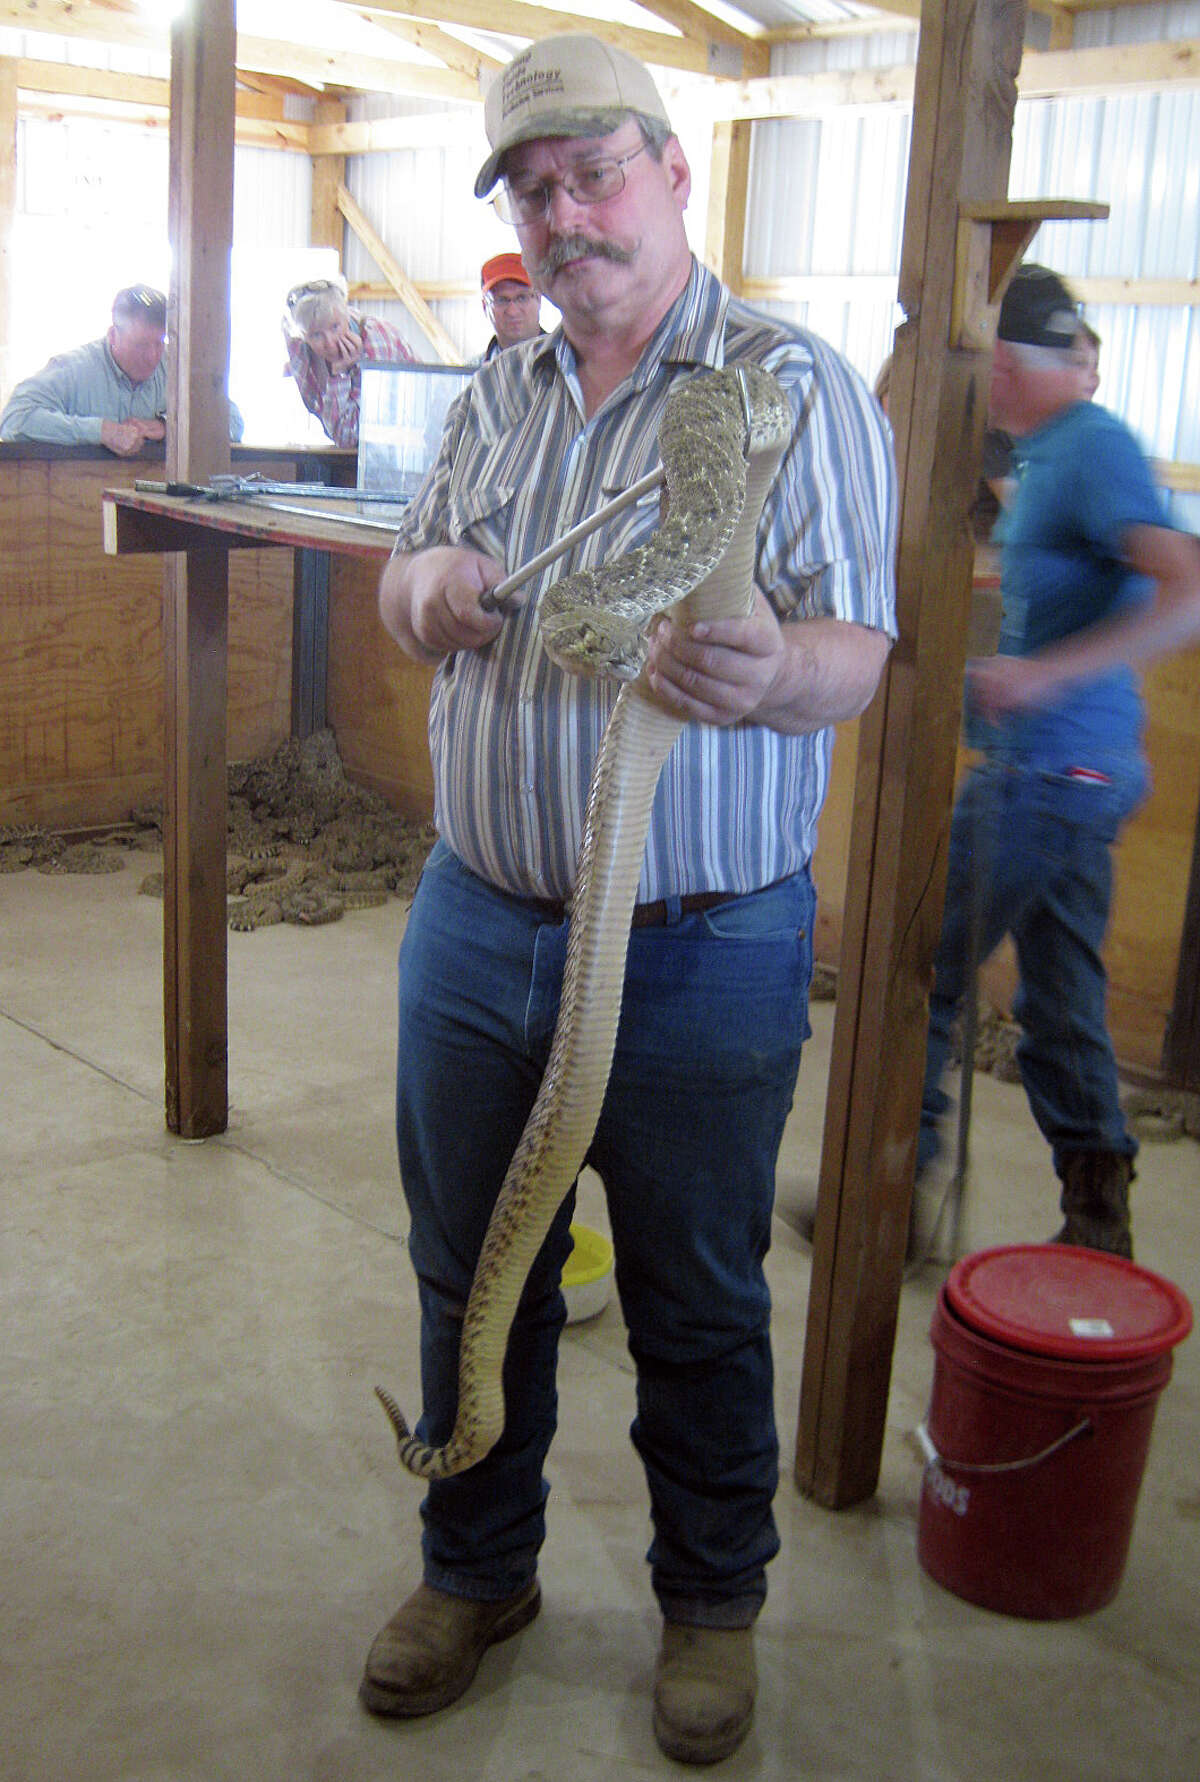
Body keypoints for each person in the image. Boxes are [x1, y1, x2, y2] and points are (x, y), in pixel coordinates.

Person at [365, 31, 897, 1767]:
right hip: (476, 914)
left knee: (695, 1290)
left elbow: (860, 649)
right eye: (533, 183)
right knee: (471, 1267)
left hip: (703, 948)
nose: (565, 209)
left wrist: (777, 667)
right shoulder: (497, 391)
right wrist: (422, 580)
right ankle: (475, 1564)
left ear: (672, 171)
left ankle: (710, 1606)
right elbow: (406, 570)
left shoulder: (792, 387)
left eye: (595, 170)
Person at [916, 263, 1200, 1260]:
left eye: (1001, 360)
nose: (988, 378)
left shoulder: (1092, 447)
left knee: (923, 976)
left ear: (1050, 360)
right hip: (1073, 774)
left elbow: (1189, 588)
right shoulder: (1047, 456)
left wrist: (1046, 679)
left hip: (1045, 773)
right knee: (1060, 1000)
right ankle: (1097, 1216)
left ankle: (889, 1203)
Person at [0, 284, 244, 455]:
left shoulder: (175, 370)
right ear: (113, 336)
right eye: (140, 345)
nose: (152, 356)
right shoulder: (74, 370)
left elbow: (234, 422)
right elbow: (13, 419)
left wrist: (170, 426)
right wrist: (100, 431)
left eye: (160, 343)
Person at [282, 275, 414, 447]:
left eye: (335, 327)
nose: (330, 343)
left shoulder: (375, 341)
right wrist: (339, 372)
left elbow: (354, 436)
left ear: (346, 315)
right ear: (305, 337)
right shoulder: (301, 353)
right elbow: (339, 434)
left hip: (403, 443)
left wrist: (344, 373)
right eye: (316, 335)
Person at [478, 251, 544, 359]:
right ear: (485, 307)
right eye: (501, 300)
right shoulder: (472, 373)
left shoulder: (570, 366)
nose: (512, 311)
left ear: (539, 299)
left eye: (522, 298)